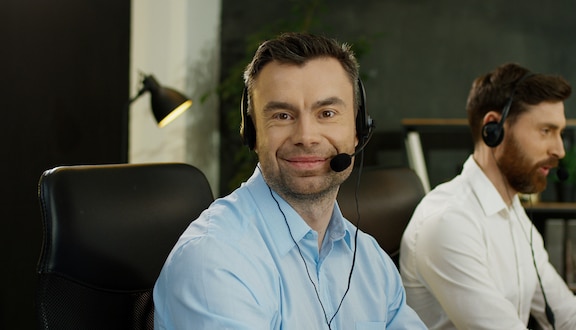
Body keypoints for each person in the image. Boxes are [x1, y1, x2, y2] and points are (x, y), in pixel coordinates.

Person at [153, 32, 426, 329]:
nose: (306, 137)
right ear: (253, 133)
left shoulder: (370, 261)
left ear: (358, 130)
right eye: (282, 116)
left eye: (327, 113)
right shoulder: (213, 259)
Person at [399, 62, 576, 329]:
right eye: (546, 131)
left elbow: (569, 315)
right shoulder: (448, 222)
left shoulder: (514, 213)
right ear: (494, 128)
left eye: (560, 133)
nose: (560, 150)